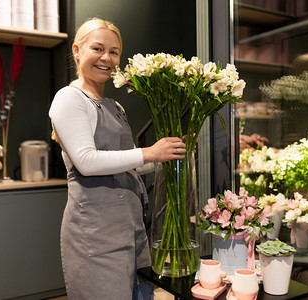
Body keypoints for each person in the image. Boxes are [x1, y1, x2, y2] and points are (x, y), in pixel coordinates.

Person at [49, 17, 186, 300]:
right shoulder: (69, 98)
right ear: (76, 50)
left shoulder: (116, 106)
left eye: (114, 52)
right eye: (98, 49)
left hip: (131, 229)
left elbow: (127, 166)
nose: (106, 58)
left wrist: (166, 155)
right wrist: (150, 152)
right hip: (96, 235)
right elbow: (86, 162)